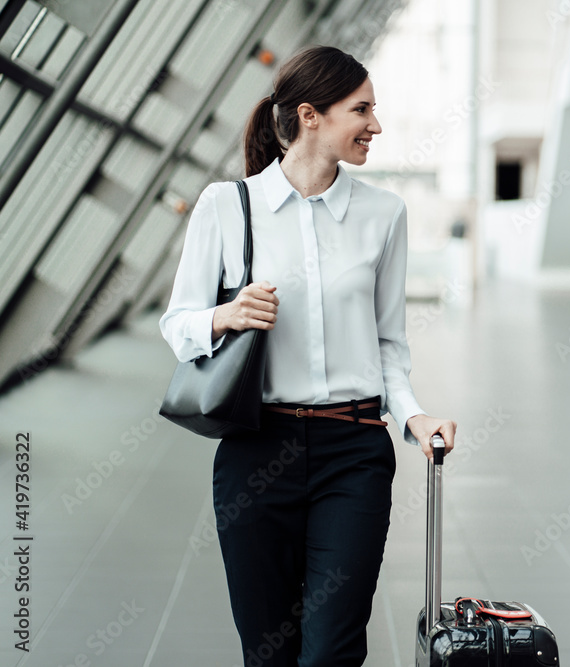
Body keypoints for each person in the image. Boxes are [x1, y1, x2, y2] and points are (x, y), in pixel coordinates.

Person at [159, 46, 457, 667]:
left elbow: (388, 345)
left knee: (332, 651)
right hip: (255, 450)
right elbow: (177, 325)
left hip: (354, 454)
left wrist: (413, 417)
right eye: (362, 109)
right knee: (268, 651)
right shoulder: (225, 207)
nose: (376, 125)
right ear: (310, 115)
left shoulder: (384, 214)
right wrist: (226, 314)